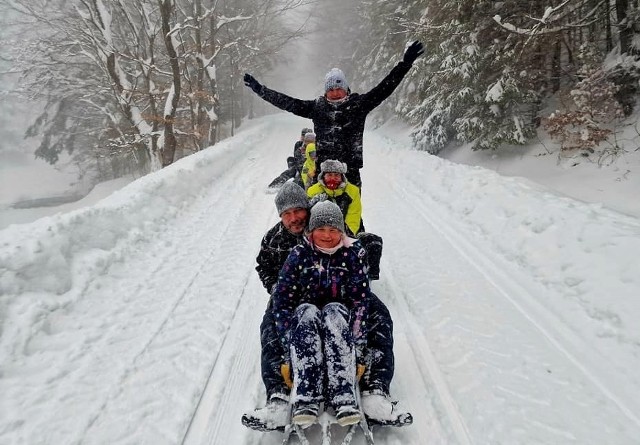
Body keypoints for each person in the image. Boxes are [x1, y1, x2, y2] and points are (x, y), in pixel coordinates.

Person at [242, 182, 410, 432]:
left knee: (379, 317)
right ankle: (278, 396)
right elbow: (263, 266)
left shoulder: (327, 221)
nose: (293, 218)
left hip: (339, 293)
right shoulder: (275, 239)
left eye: (298, 210)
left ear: (309, 209)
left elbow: (352, 244)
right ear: (280, 216)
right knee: (270, 327)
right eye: (286, 214)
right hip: (296, 297)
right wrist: (276, 288)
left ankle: (374, 389)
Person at [244, 41, 424, 188]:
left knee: (352, 220)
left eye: (339, 88)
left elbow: (385, 88)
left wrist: (405, 64)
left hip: (350, 171)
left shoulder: (358, 104)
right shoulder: (317, 107)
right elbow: (287, 102)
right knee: (319, 219)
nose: (335, 92)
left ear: (346, 89)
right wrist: (261, 90)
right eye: (331, 89)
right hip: (322, 170)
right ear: (325, 91)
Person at [271, 200, 369, 426]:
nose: (327, 236)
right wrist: (286, 348)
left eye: (333, 230)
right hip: (305, 312)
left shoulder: (351, 255)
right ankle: (307, 394)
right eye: (321, 230)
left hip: (339, 314)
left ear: (341, 231)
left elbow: (360, 302)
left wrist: (360, 346)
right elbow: (283, 300)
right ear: (311, 231)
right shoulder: (299, 254)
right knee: (306, 312)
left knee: (334, 312)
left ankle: (343, 393)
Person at [307, 159, 383, 280]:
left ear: (342, 176)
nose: (333, 178)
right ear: (323, 175)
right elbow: (310, 217)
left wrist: (342, 237)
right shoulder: (313, 191)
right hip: (323, 232)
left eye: (336, 175)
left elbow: (354, 216)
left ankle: (366, 276)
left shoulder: (353, 191)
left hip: (349, 232)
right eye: (329, 175)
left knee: (374, 243)